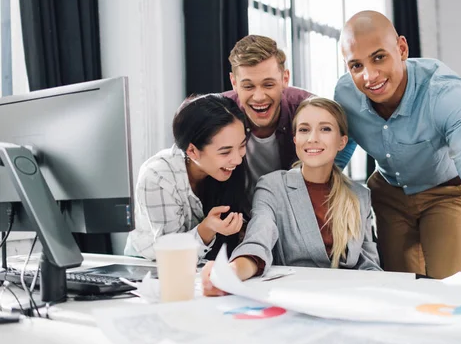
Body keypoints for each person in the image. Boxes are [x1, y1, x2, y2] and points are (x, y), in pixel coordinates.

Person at [334, 10, 461, 279]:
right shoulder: (345, 94)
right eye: (356, 66)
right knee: (401, 291)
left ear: (402, 48)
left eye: (379, 58)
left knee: (451, 290)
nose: (369, 76)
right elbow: (343, 143)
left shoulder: (444, 92)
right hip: (389, 197)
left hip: (444, 195)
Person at [201, 97, 381, 295]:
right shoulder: (272, 186)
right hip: (294, 296)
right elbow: (257, 242)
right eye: (304, 130)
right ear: (295, 139)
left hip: (349, 299)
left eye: (325, 129)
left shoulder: (360, 196)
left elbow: (369, 265)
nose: (312, 138)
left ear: (342, 142)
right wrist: (230, 273)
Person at [124, 94, 250, 262]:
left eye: (242, 145)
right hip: (148, 263)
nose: (238, 159)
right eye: (225, 152)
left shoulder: (226, 167)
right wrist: (207, 229)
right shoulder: (158, 177)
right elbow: (170, 252)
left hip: (199, 263)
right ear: (192, 151)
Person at [223, 35, 313, 192]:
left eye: (268, 84)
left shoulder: (309, 110)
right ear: (234, 83)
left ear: (285, 78)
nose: (259, 97)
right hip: (233, 211)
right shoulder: (218, 111)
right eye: (248, 86)